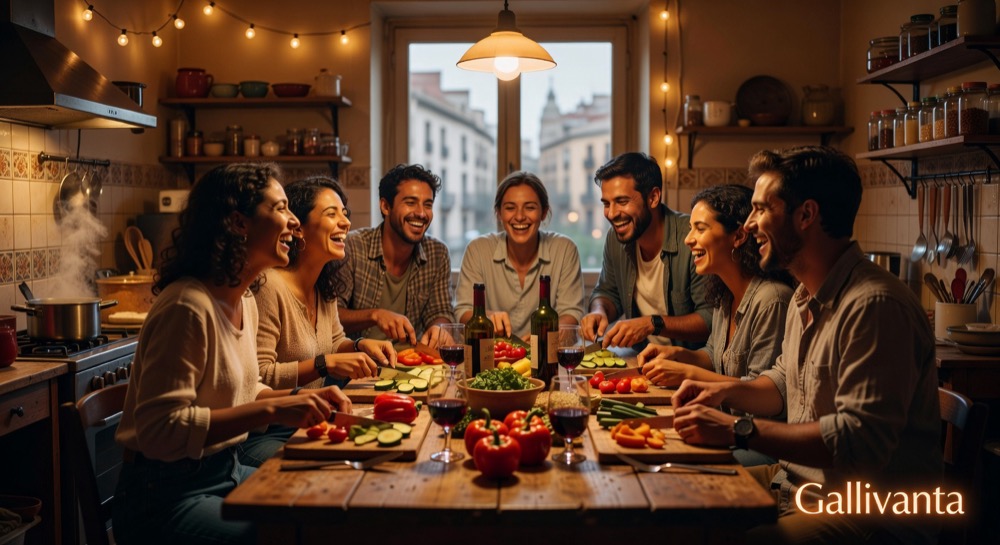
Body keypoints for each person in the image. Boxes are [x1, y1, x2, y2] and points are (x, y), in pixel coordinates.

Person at [671, 147, 941, 545]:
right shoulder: (803, 297)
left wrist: (738, 429)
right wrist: (722, 391)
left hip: (868, 515)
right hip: (798, 484)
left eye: (762, 209)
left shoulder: (874, 306)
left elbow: (858, 442)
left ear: (805, 215)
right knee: (679, 492)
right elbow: (782, 384)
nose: (750, 224)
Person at [112, 164, 352, 545]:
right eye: (280, 209)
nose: (293, 222)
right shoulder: (188, 307)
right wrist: (274, 410)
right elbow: (161, 430)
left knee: (320, 507)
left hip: (226, 470)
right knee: (290, 534)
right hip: (163, 495)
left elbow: (246, 387)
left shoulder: (243, 300)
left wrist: (299, 399)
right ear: (239, 222)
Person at [247, 176, 397, 463]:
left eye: (344, 213)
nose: (346, 222)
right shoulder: (268, 286)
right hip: (267, 434)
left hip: (310, 421)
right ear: (298, 228)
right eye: (332, 214)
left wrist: (361, 346)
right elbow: (260, 378)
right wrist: (324, 364)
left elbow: (335, 340)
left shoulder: (323, 285)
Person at [637, 184, 794, 387]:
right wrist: (677, 355)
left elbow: (761, 390)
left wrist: (688, 373)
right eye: (690, 228)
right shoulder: (724, 295)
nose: (688, 239)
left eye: (700, 229)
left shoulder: (772, 300)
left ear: (738, 236)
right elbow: (713, 355)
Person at [582, 152, 712, 350]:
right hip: (640, 361)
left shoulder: (693, 238)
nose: (612, 213)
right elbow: (607, 292)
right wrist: (599, 310)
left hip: (690, 367)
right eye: (607, 204)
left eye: (622, 201)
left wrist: (652, 324)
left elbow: (710, 319)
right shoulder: (615, 238)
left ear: (653, 197)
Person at [455, 171, 585, 339]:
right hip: (490, 357)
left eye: (530, 207)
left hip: (547, 358)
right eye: (510, 208)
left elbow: (572, 313)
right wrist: (485, 317)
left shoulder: (565, 249)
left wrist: (545, 336)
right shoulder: (477, 249)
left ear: (544, 212)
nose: (520, 217)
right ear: (499, 214)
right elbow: (463, 310)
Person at [336, 164, 454, 347]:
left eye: (428, 204)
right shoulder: (352, 246)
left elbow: (441, 311)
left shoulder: (437, 253)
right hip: (359, 364)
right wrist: (375, 315)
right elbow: (331, 316)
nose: (421, 213)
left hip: (413, 364)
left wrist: (440, 328)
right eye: (410, 202)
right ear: (385, 206)